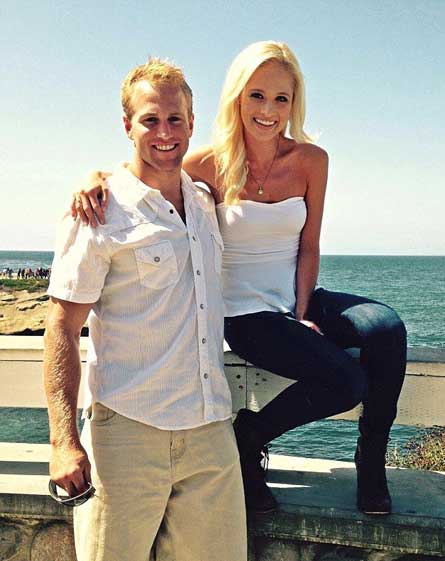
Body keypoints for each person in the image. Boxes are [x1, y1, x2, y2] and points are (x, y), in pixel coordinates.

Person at [71, 41, 407, 516]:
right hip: (244, 313)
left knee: (387, 328)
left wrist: (302, 313)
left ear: (294, 103)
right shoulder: (207, 163)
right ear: (237, 97)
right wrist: (93, 176)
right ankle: (249, 435)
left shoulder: (312, 160)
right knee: (347, 381)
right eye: (257, 95)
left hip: (296, 299)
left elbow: (309, 245)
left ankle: (371, 459)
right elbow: (143, 167)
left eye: (281, 98)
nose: (268, 110)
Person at [44, 58, 246, 561]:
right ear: (127, 125)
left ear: (192, 124)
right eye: (150, 120)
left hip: (209, 430)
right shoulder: (99, 210)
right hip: (127, 435)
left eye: (175, 119)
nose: (164, 132)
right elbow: (62, 326)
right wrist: (64, 442)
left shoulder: (205, 200)